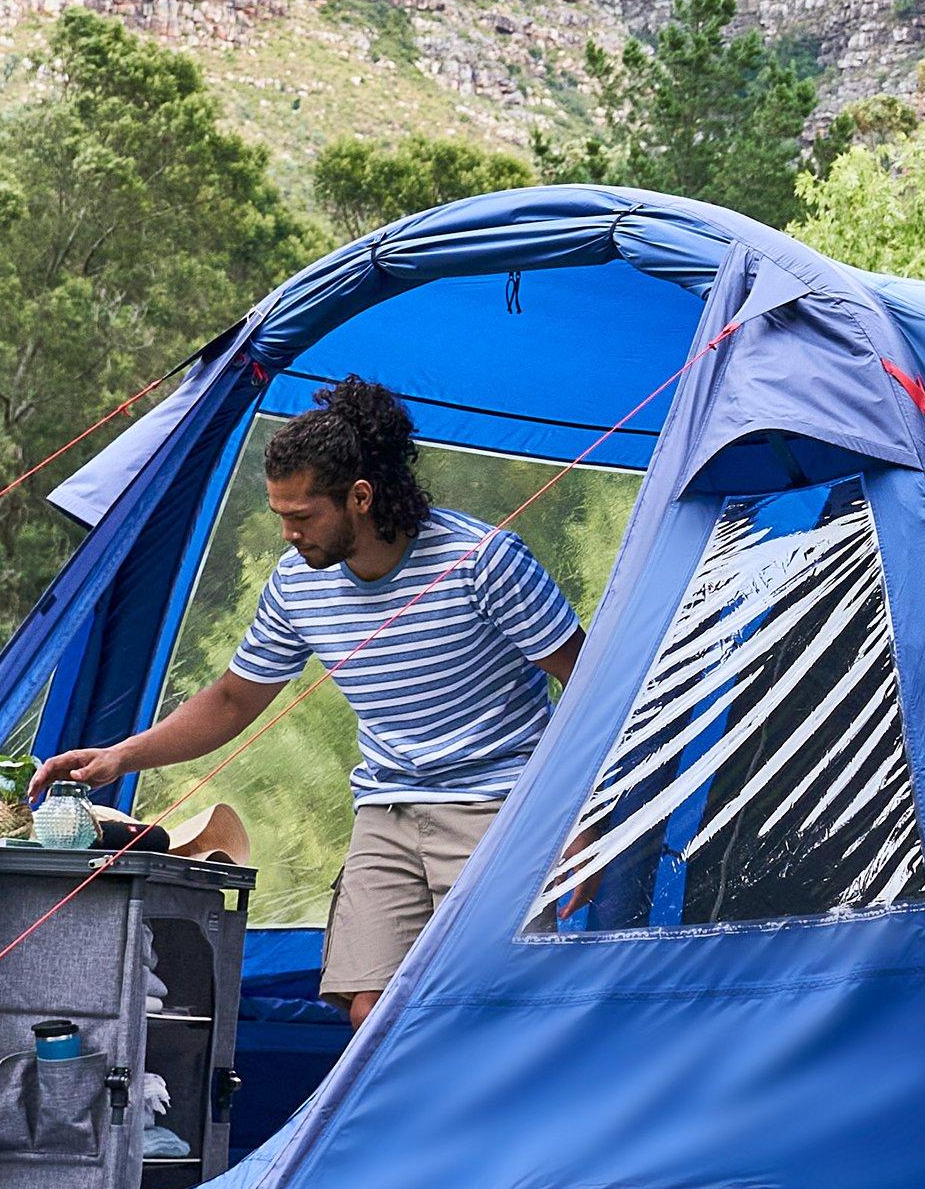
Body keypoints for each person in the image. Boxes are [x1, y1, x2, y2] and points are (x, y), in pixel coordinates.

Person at [39, 376, 583, 1024]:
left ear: (360, 497)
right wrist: (121, 757)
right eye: (280, 517)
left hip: (498, 802)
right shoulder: (298, 584)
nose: (289, 534)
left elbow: (591, 683)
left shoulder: (483, 560)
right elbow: (233, 699)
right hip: (386, 807)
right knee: (370, 1012)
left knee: (491, 1009)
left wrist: (586, 820)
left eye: (301, 517)